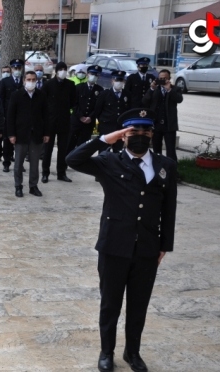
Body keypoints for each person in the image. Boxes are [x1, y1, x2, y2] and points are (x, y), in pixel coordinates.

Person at [66, 108, 177, 372]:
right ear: (124, 135)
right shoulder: (109, 161)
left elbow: (168, 209)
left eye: (145, 132)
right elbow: (73, 159)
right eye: (133, 132)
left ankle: (132, 352)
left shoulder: (165, 165)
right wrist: (105, 138)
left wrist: (164, 245)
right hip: (114, 246)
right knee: (110, 303)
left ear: (152, 134)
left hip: (147, 248)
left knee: (139, 304)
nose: (140, 136)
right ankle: (107, 351)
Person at [7, 71, 51, 198]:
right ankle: (18, 186)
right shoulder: (16, 95)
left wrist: (46, 133)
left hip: (36, 134)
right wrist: (11, 134)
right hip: (20, 134)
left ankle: (33, 186)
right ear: (24, 81)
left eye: (33, 79)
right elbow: (10, 116)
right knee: (18, 163)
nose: (31, 82)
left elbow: (46, 115)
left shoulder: (41, 95)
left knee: (34, 163)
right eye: (29, 79)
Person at [41, 62, 77, 183]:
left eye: (65, 69)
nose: (63, 71)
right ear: (56, 71)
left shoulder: (70, 85)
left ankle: (61, 173)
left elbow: (73, 102)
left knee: (63, 149)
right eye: (60, 69)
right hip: (50, 122)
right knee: (48, 149)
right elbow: (42, 103)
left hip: (64, 121)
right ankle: (45, 172)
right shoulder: (48, 85)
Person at [142, 69, 183, 162]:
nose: (162, 80)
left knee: (171, 150)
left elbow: (179, 99)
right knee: (156, 149)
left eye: (165, 78)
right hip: (156, 124)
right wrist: (151, 88)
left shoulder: (175, 89)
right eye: (160, 78)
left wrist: (169, 89)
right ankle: (157, 168)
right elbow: (145, 101)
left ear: (169, 79)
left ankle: (172, 170)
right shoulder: (154, 89)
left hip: (169, 124)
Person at [68, 65, 104, 153]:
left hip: (89, 123)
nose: (94, 76)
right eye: (92, 74)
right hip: (76, 120)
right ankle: (65, 162)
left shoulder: (100, 90)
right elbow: (74, 103)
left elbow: (98, 106)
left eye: (96, 75)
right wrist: (80, 116)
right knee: (70, 142)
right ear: (87, 74)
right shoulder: (79, 87)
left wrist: (90, 117)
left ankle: (79, 164)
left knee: (83, 145)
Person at [0, 59, 25, 173]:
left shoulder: (25, 81)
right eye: (15, 68)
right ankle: (6, 162)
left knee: (22, 142)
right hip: (9, 115)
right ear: (11, 69)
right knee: (8, 141)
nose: (17, 70)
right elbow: (1, 99)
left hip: (22, 115)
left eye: (19, 68)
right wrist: (2, 115)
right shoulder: (5, 81)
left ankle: (20, 164)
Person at [94, 70, 131, 152]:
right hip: (106, 127)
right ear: (112, 81)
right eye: (117, 80)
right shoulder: (104, 94)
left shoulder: (127, 94)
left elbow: (128, 110)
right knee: (104, 151)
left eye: (121, 80)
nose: (119, 82)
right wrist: (103, 121)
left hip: (120, 128)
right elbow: (97, 110)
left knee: (118, 152)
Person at [0, 65, 12, 162]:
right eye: (4, 71)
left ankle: (9, 154)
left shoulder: (13, 84)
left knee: (8, 136)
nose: (6, 73)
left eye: (8, 71)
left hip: (9, 114)